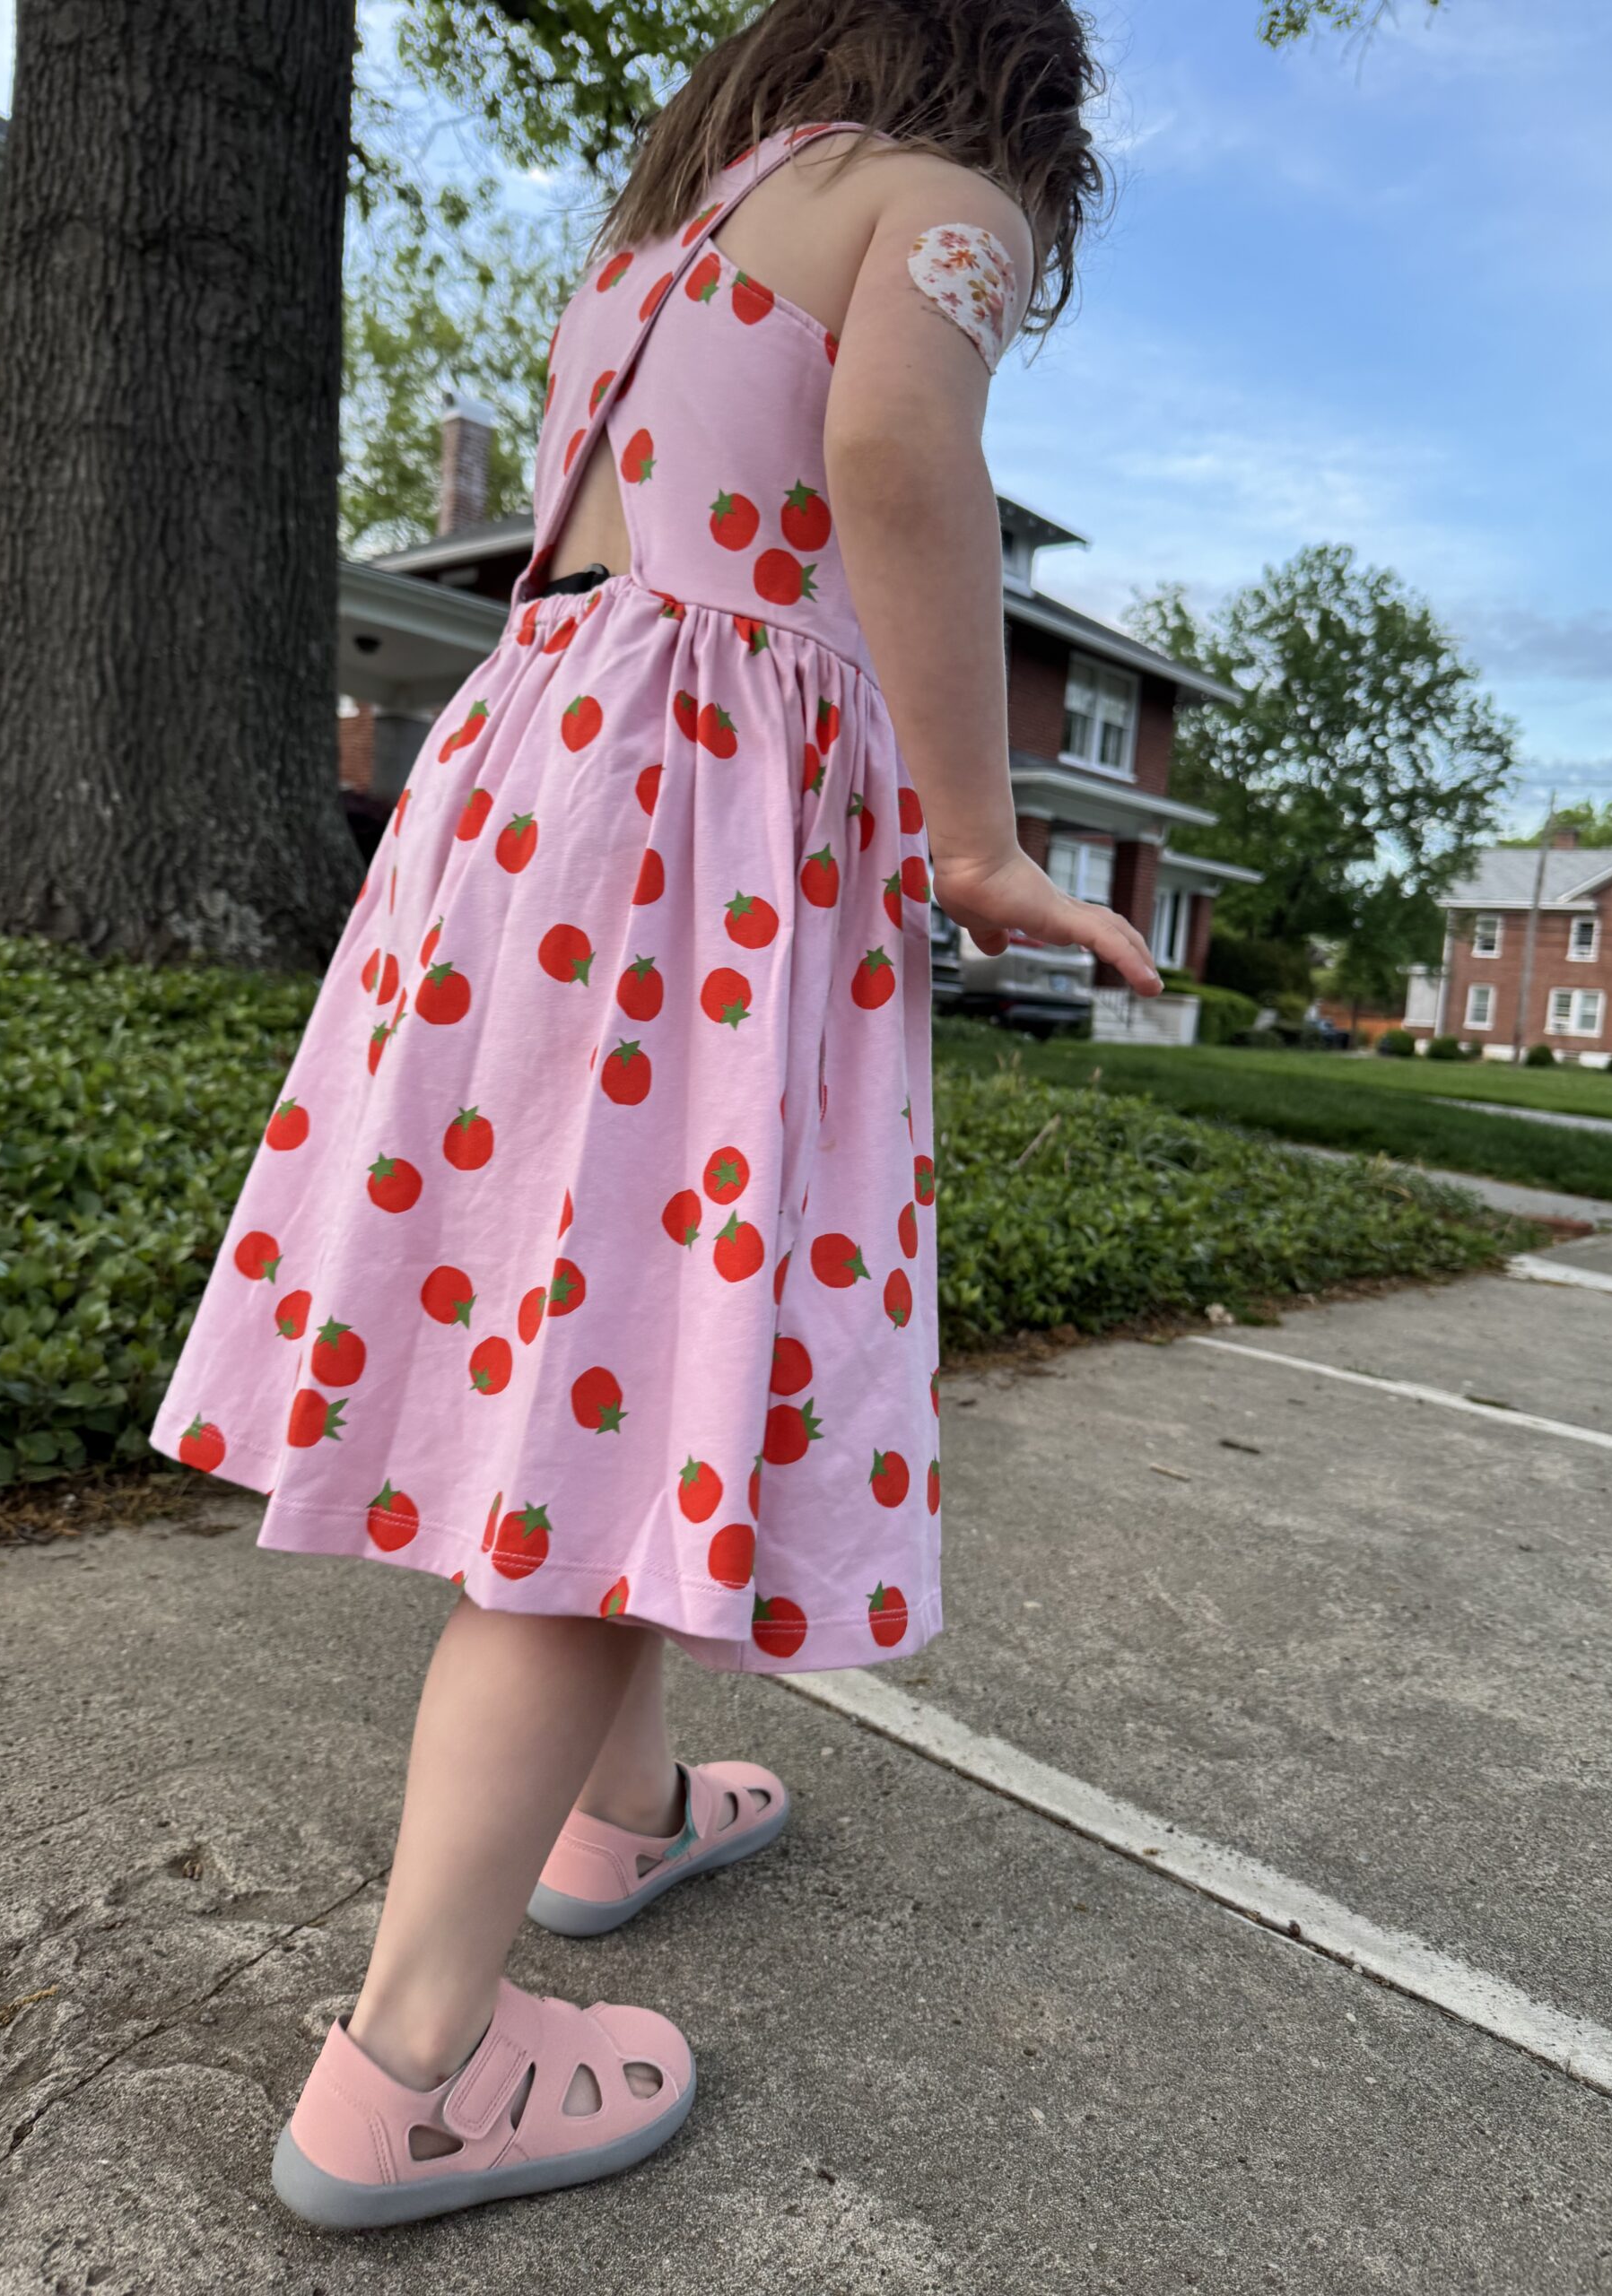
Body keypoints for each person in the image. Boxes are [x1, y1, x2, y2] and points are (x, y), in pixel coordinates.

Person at [150, 0, 1159, 2229]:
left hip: (535, 770)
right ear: (1023, 97)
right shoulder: (941, 199)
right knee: (626, 1373)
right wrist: (979, 834)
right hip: (714, 813)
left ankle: (622, 1814)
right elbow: (898, 455)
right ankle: (412, 2060)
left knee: (606, 1317)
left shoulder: (675, 234)